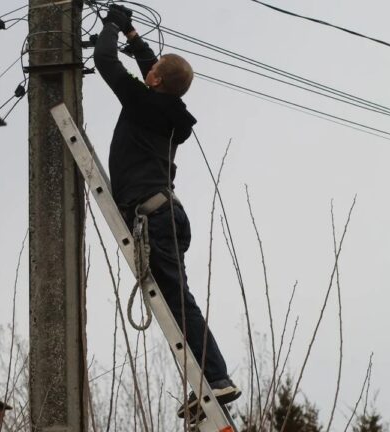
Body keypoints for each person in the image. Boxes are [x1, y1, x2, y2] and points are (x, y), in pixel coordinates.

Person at [94, 5, 242, 418]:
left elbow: (104, 61)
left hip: (154, 218)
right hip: (165, 215)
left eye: (153, 70)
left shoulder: (143, 102)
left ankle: (216, 377)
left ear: (156, 81)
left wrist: (110, 25)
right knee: (180, 300)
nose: (147, 71)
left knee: (179, 302)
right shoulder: (169, 111)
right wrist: (132, 34)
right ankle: (210, 379)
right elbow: (150, 69)